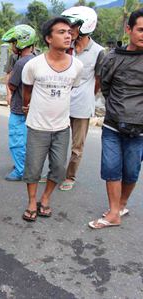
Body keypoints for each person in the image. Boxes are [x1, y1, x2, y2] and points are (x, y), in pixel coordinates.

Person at [21, 17, 83, 221]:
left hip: (62, 127)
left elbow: (70, 89)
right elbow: (27, 89)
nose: (68, 35)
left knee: (58, 167)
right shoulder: (33, 65)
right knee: (33, 167)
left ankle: (45, 198)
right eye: (61, 32)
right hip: (37, 127)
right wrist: (27, 107)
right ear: (48, 38)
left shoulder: (77, 66)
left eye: (69, 32)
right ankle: (32, 201)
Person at [89, 8, 143, 229]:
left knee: (131, 170)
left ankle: (121, 204)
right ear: (128, 29)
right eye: (140, 29)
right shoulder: (112, 58)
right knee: (111, 167)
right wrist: (119, 107)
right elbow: (106, 86)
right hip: (113, 125)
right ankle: (113, 213)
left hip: (139, 129)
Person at [58, 6, 105, 191]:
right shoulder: (66, 48)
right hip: (61, 103)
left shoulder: (99, 52)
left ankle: (70, 176)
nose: (69, 30)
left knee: (77, 146)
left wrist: (86, 96)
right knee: (58, 142)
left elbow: (98, 81)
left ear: (85, 26)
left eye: (73, 26)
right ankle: (55, 172)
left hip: (82, 105)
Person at [1, 25, 37, 181]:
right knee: (30, 140)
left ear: (21, 43)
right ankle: (30, 168)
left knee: (17, 140)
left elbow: (11, 84)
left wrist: (9, 92)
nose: (12, 46)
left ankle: (20, 170)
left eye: (13, 42)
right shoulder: (37, 59)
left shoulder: (21, 63)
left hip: (19, 107)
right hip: (33, 107)